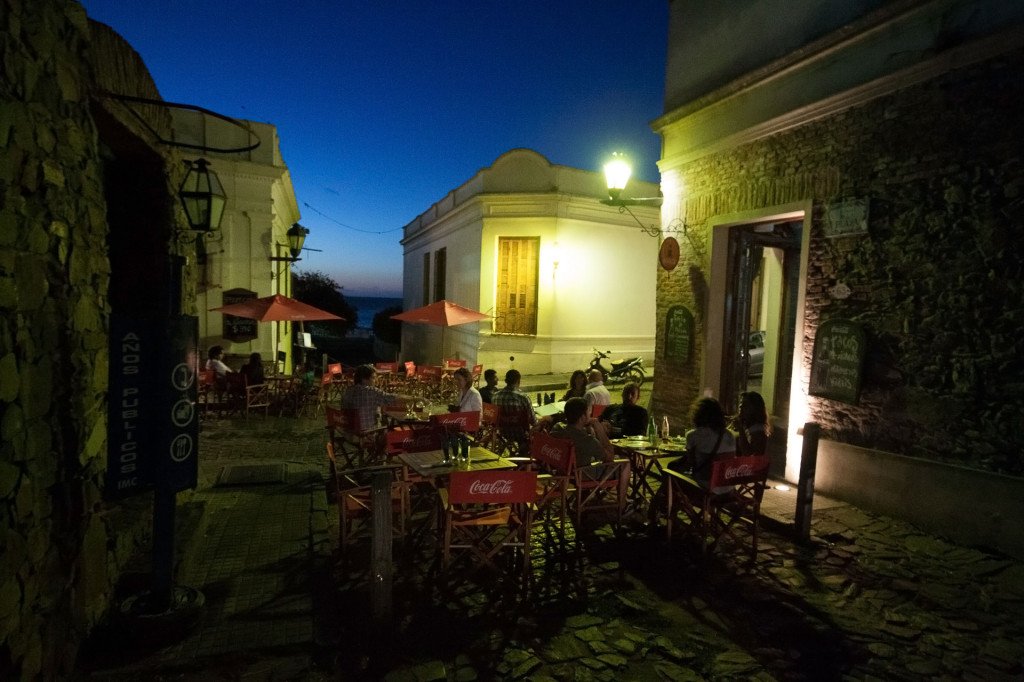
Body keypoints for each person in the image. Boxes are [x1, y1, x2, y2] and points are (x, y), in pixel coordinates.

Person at [551, 398, 628, 496]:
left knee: (592, 458)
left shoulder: (557, 428)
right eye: (588, 413)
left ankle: (588, 498)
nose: (590, 415)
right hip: (582, 475)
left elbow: (574, 431)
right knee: (625, 463)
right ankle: (623, 505)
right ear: (583, 417)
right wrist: (598, 427)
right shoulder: (587, 440)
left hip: (563, 471)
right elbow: (610, 456)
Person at [342, 364, 399, 430]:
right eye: (373, 378)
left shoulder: (348, 391)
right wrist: (412, 399)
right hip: (368, 433)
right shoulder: (371, 392)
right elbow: (393, 399)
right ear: (364, 379)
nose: (375, 380)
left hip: (350, 432)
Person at [492, 369, 536, 452]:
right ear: (518, 381)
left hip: (502, 432)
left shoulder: (495, 396)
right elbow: (533, 421)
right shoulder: (523, 397)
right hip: (520, 434)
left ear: (506, 381)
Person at [734, 391, 771, 456]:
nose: (741, 407)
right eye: (740, 404)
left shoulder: (758, 429)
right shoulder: (752, 426)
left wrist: (741, 429)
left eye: (745, 404)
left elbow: (749, 454)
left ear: (755, 408)